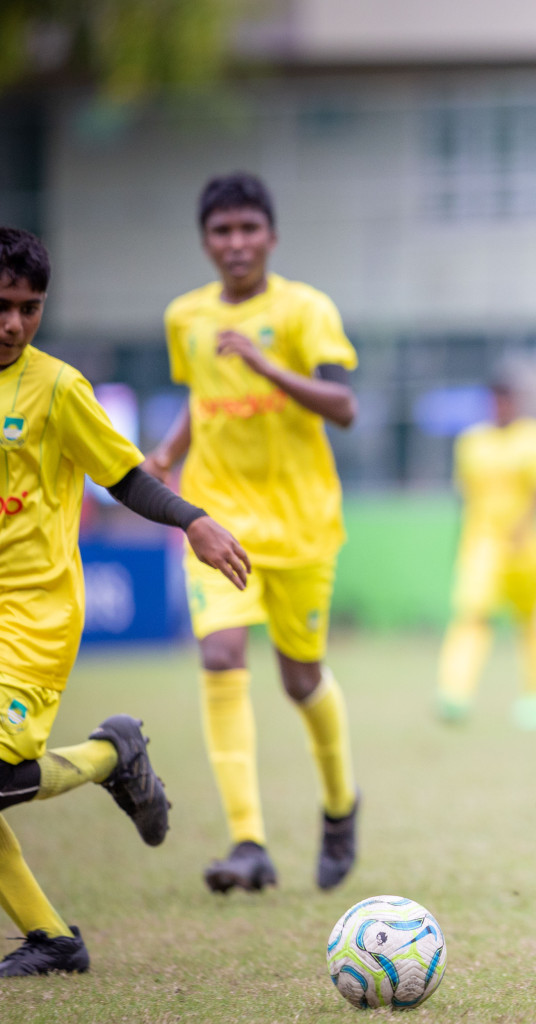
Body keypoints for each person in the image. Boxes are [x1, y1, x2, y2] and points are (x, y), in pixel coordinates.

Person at [0, 226, 250, 974]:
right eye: (1, 305)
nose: (13, 323)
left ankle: (113, 755)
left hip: (32, 615)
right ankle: (50, 938)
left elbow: (125, 476)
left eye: (29, 307)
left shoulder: (56, 388)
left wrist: (194, 520)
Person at [145, 172, 361, 894]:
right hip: (217, 518)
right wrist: (170, 451)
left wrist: (267, 363)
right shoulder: (186, 317)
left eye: (247, 230)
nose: (235, 244)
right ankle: (248, 842)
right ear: (205, 242)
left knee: (300, 678)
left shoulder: (305, 309)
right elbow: (202, 396)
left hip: (301, 526)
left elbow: (344, 405)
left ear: (270, 235)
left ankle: (339, 805)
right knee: (221, 654)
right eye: (221, 232)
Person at [436, 363, 536, 728]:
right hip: (483, 545)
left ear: (517, 402)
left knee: (535, 622)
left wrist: (522, 527)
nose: (501, 407)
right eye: (495, 400)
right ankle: (455, 694)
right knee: (471, 616)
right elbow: (465, 494)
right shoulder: (471, 442)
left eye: (506, 400)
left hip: (529, 546)